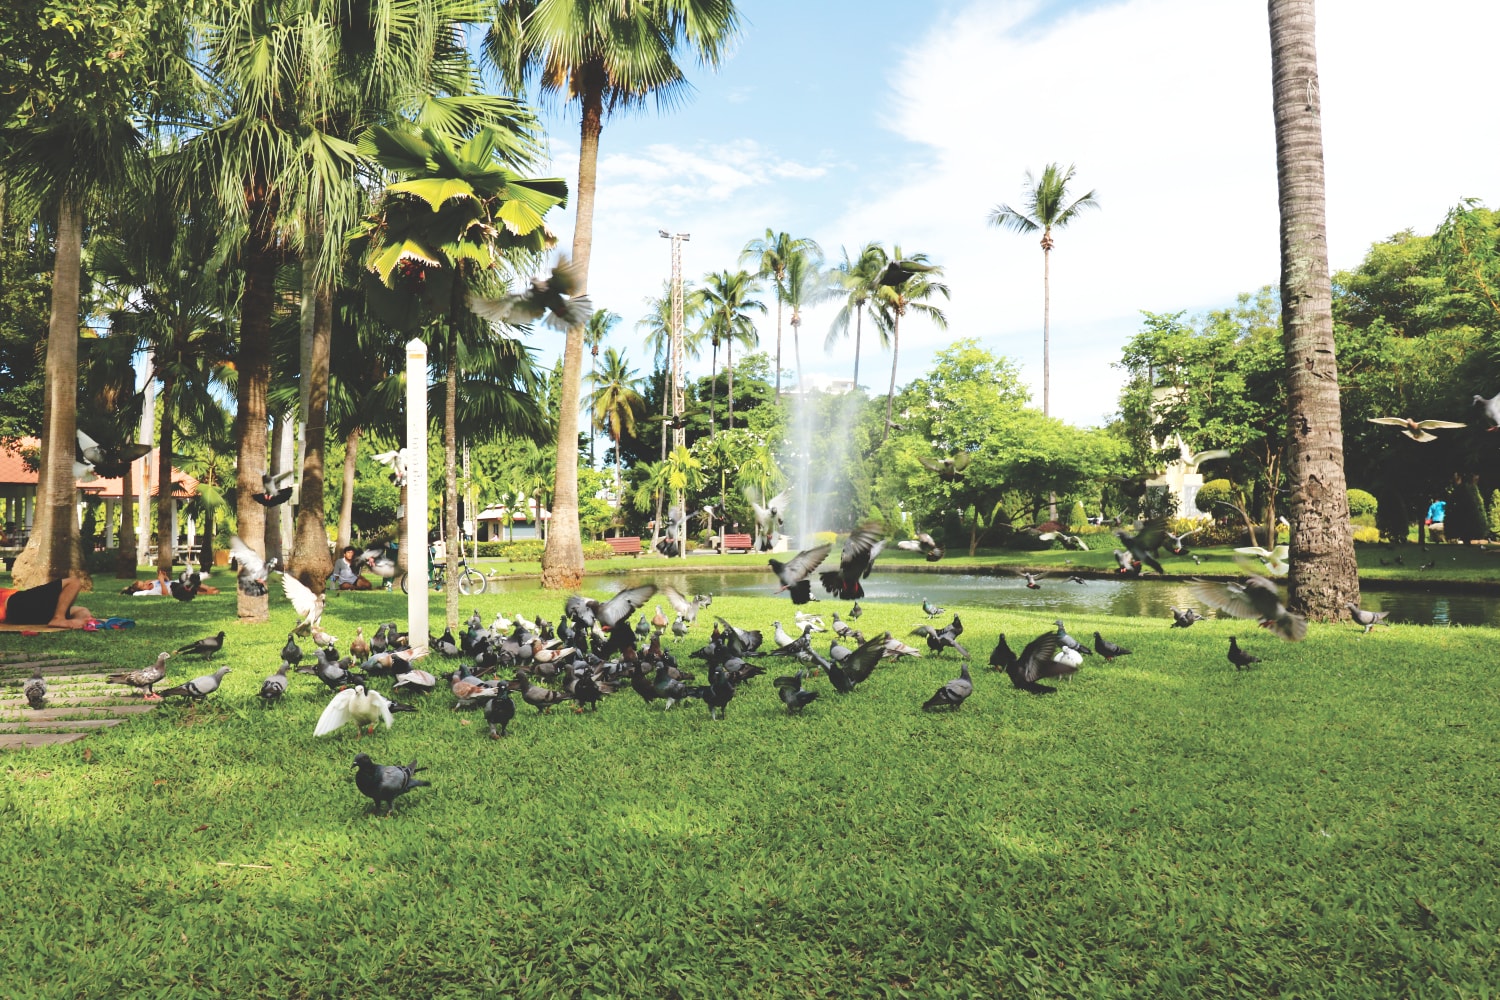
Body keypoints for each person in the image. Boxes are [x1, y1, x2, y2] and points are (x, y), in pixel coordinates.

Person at [0, 572, 94, 628]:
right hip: (13, 603)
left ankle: (65, 619)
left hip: (18, 614)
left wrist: (83, 621)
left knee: (82, 611)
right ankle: (58, 618)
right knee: (74, 582)